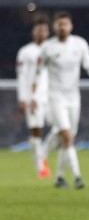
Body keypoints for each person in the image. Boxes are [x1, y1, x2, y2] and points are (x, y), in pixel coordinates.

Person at [36, 11, 89, 189]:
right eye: (59, 24)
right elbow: (38, 71)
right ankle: (77, 176)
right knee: (66, 135)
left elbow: (88, 63)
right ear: (54, 27)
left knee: (67, 139)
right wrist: (35, 94)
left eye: (65, 24)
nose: (62, 27)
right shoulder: (48, 48)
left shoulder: (79, 44)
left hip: (74, 98)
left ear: (71, 26)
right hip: (55, 98)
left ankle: (58, 175)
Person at [16, 16, 52, 178]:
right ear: (33, 33)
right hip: (32, 98)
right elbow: (22, 77)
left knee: (61, 129)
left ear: (48, 32)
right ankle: (40, 167)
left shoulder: (52, 49)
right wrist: (23, 98)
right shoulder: (25, 52)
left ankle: (42, 155)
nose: (41, 33)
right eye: (38, 30)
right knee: (36, 131)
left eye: (44, 30)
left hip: (52, 96)